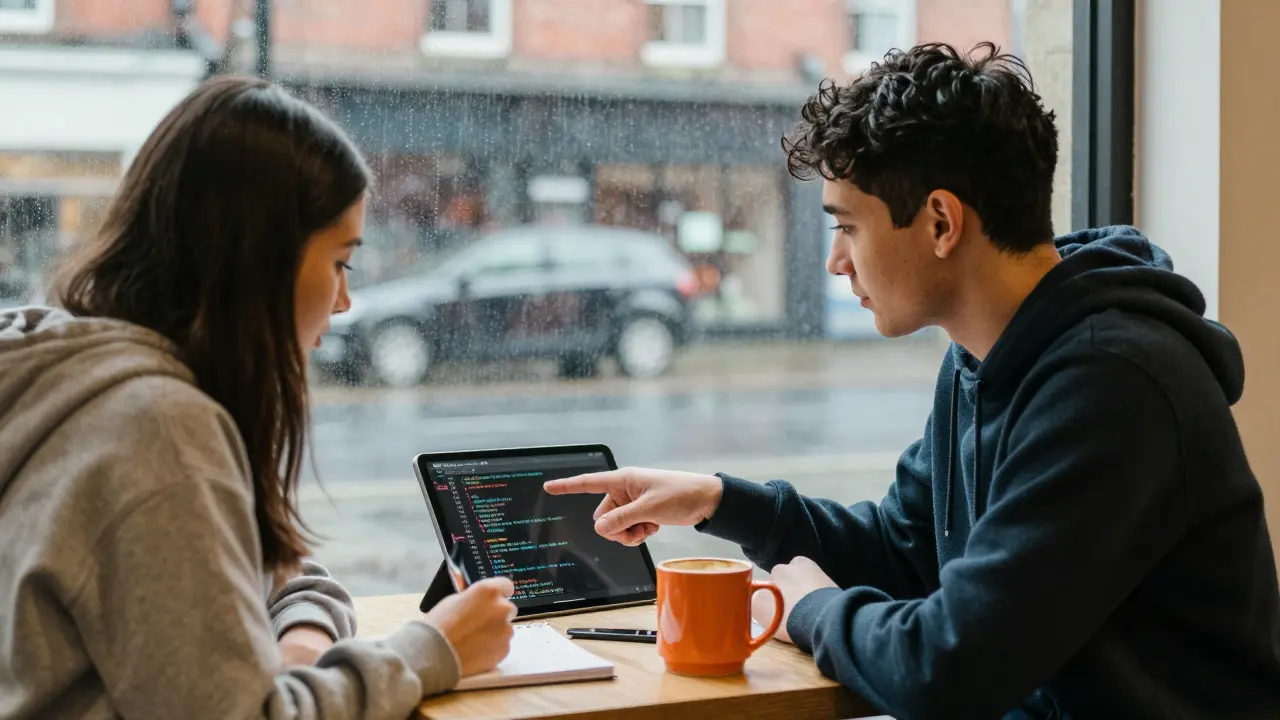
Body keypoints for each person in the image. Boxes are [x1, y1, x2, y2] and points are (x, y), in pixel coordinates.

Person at [545, 42, 1280, 719]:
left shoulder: (1114, 385)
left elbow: (948, 667)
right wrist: (721, 501)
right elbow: (906, 549)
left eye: (847, 227)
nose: (837, 262)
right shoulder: (983, 358)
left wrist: (812, 610)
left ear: (939, 223)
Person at [0, 76, 516, 719]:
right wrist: (431, 650)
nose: (345, 300)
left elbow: (257, 572)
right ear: (260, 264)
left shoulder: (68, 372)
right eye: (340, 263)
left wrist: (303, 639)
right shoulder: (156, 429)